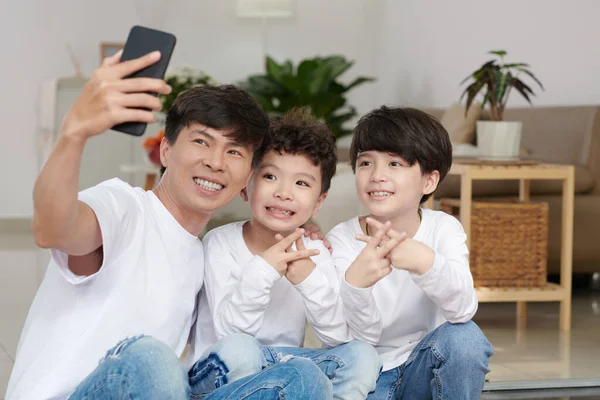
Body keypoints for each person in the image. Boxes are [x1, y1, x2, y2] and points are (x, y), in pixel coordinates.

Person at [6, 50, 332, 400]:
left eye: (234, 152)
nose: (215, 162)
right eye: (201, 142)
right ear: (165, 151)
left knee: (301, 378)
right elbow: (53, 229)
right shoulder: (127, 208)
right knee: (153, 360)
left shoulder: (200, 253)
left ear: (248, 177)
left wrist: (302, 225)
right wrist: (74, 134)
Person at [184, 109, 382, 399]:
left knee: (362, 355)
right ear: (245, 186)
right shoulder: (221, 243)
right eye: (270, 176)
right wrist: (262, 270)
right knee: (243, 349)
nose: (284, 192)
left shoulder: (315, 253)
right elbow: (230, 332)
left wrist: (309, 280)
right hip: (220, 370)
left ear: (318, 202)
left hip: (284, 366)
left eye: (301, 183)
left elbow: (337, 337)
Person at [325, 106, 494, 399]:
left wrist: (426, 264)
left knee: (466, 337)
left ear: (428, 181)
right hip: (367, 375)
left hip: (424, 367)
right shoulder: (342, 239)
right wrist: (357, 286)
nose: (377, 175)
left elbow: (463, 309)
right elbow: (355, 341)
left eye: (395, 164)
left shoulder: (444, 228)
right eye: (366, 163)